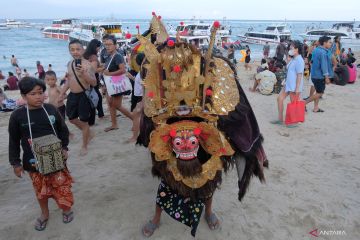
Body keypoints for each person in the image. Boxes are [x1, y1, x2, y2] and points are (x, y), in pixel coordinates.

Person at [138, 15, 268, 238]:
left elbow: (233, 109)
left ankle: (208, 211)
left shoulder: (213, 70)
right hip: (170, 137)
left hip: (205, 137)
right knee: (167, 181)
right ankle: (157, 217)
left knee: (209, 183)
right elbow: (150, 112)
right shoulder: (158, 73)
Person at [8, 77, 74, 231]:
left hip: (56, 159)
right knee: (41, 191)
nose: (38, 96)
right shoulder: (18, 116)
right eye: (33, 94)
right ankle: (45, 213)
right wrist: (15, 163)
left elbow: (63, 130)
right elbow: (14, 141)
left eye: (40, 92)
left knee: (61, 186)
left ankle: (66, 209)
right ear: (24, 96)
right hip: (33, 162)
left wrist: (64, 148)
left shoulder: (51, 109)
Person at [59, 39, 97, 156]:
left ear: (83, 50)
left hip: (84, 96)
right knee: (71, 118)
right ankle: (88, 132)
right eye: (72, 50)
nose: (75, 52)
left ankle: (84, 145)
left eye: (78, 49)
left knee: (84, 122)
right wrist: (62, 93)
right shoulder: (69, 64)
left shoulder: (87, 65)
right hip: (72, 95)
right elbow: (69, 80)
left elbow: (94, 83)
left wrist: (84, 74)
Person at [102, 35, 133, 132]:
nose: (107, 46)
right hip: (110, 84)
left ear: (115, 45)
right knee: (111, 104)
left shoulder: (118, 56)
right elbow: (106, 68)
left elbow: (123, 70)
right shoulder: (108, 55)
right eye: (106, 44)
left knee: (117, 105)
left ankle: (135, 119)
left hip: (117, 84)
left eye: (110, 44)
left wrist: (110, 73)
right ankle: (114, 124)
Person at [272, 40, 304, 125]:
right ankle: (280, 119)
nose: (290, 49)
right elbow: (288, 70)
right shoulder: (294, 59)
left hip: (294, 86)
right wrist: (288, 59)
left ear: (296, 49)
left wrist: (297, 88)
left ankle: (293, 122)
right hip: (288, 84)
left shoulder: (299, 60)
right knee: (279, 99)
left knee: (293, 104)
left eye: (291, 48)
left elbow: (299, 75)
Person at [305, 36, 333, 113]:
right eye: (329, 42)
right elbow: (324, 66)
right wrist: (327, 77)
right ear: (324, 43)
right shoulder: (323, 52)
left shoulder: (316, 50)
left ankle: (316, 108)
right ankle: (304, 103)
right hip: (319, 76)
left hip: (314, 74)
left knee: (317, 92)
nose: (331, 44)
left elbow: (312, 62)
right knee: (320, 93)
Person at [83, 39, 105, 126]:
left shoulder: (85, 55)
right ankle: (99, 115)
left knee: (94, 97)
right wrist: (103, 68)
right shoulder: (93, 57)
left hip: (86, 79)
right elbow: (94, 70)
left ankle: (100, 114)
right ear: (95, 47)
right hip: (93, 79)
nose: (99, 49)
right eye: (98, 47)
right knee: (96, 97)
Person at [126, 53, 144, 142]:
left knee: (136, 115)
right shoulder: (142, 70)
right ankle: (136, 134)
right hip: (140, 96)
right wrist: (132, 78)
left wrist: (143, 101)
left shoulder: (144, 71)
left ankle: (135, 137)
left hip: (142, 97)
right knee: (137, 115)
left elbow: (146, 86)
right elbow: (141, 83)